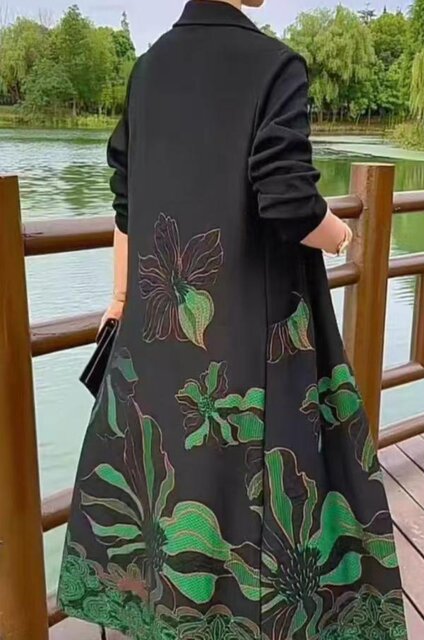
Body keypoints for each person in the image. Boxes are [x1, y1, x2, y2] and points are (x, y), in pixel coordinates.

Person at [58, 1, 406, 638]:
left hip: (160, 328)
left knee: (175, 483)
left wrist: (121, 298)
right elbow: (288, 199)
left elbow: (126, 201)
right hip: (254, 333)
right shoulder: (274, 66)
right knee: (267, 497)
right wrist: (341, 236)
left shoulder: (149, 69)